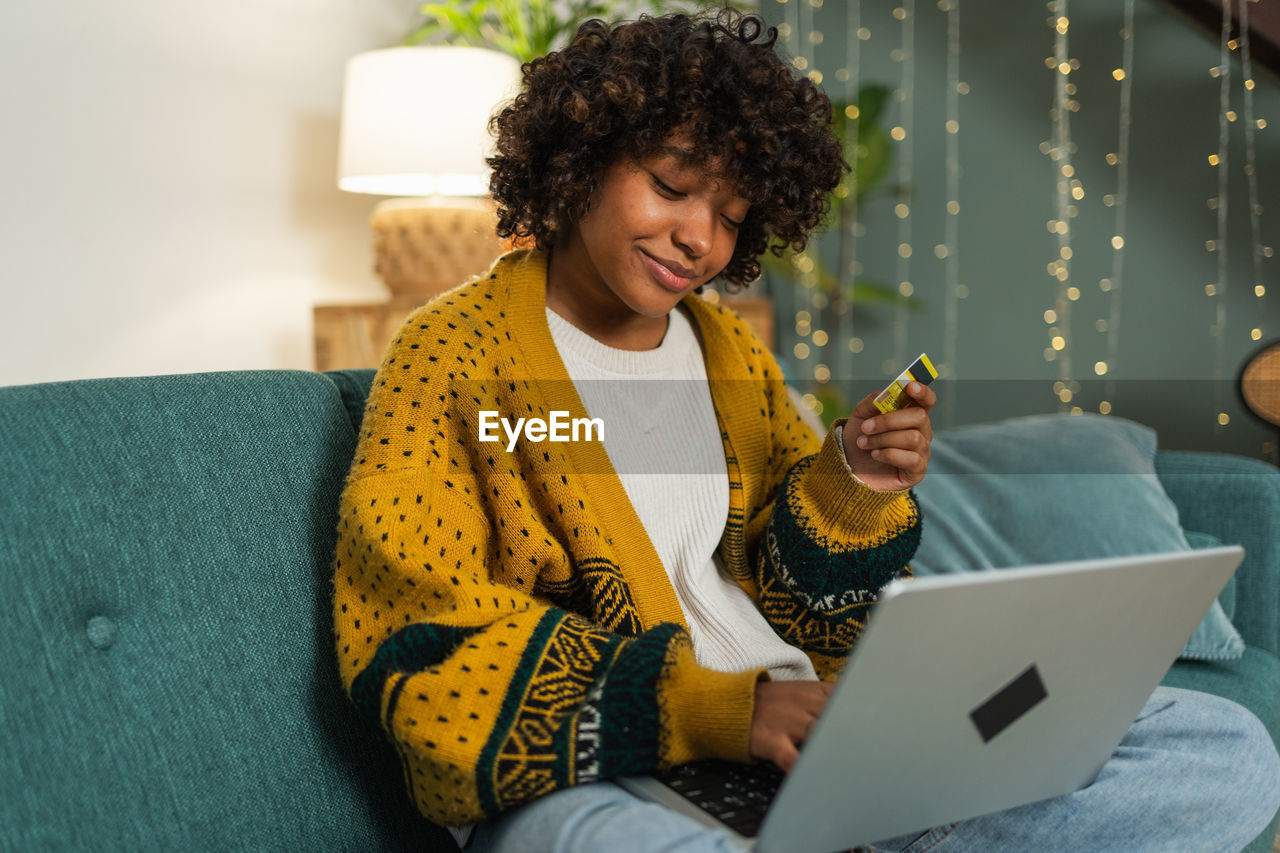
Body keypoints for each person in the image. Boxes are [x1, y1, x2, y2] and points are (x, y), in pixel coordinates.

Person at [332, 8, 1280, 852]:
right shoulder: (456, 356)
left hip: (807, 730)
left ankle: (854, 821)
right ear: (582, 154)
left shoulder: (728, 356)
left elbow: (791, 586)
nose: (700, 239)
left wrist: (851, 485)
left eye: (734, 217)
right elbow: (422, 637)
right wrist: (718, 710)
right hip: (613, 769)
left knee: (1220, 746)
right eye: (671, 185)